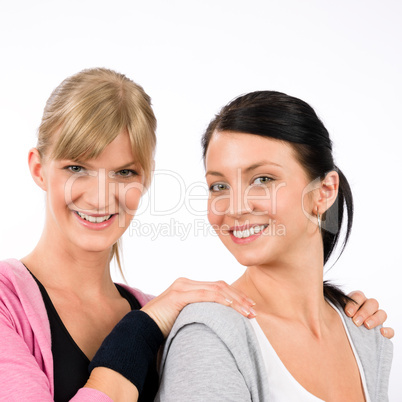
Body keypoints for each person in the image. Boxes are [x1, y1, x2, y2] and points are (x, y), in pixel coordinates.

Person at [0, 70, 390, 402]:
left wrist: (343, 316)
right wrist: (140, 331)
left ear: (146, 177)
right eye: (76, 167)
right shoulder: (160, 321)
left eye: (124, 173)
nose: (101, 196)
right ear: (38, 168)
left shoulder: (165, 315)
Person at [156, 91, 394, 401]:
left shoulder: (364, 330)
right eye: (219, 186)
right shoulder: (209, 335)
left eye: (263, 179)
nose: (236, 207)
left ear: (324, 192)